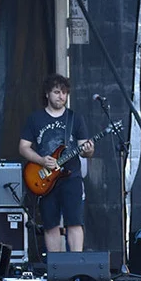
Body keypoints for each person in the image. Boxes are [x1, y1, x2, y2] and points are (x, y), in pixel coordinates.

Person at [18, 74, 94, 253]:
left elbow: (86, 149)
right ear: (47, 94)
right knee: (50, 224)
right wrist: (41, 160)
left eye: (64, 93)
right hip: (46, 179)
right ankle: (55, 265)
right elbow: (23, 147)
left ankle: (76, 263)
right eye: (57, 92)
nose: (61, 96)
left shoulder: (75, 118)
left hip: (71, 177)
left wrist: (89, 150)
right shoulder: (35, 119)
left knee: (74, 222)